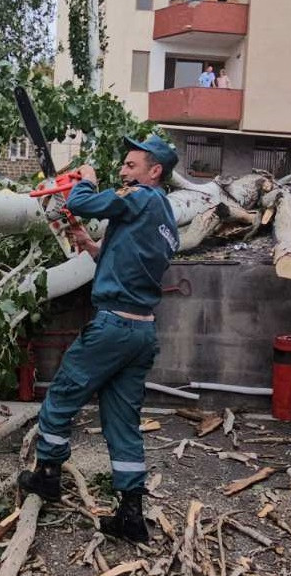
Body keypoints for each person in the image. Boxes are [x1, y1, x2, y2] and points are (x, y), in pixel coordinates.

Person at [18, 134, 180, 543]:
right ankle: (130, 514)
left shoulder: (141, 197)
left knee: (61, 396)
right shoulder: (164, 217)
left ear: (154, 171)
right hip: (141, 331)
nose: (123, 171)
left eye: (131, 165)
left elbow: (82, 203)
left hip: (113, 328)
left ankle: (47, 475)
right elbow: (125, 260)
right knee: (122, 420)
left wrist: (86, 180)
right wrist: (91, 245)